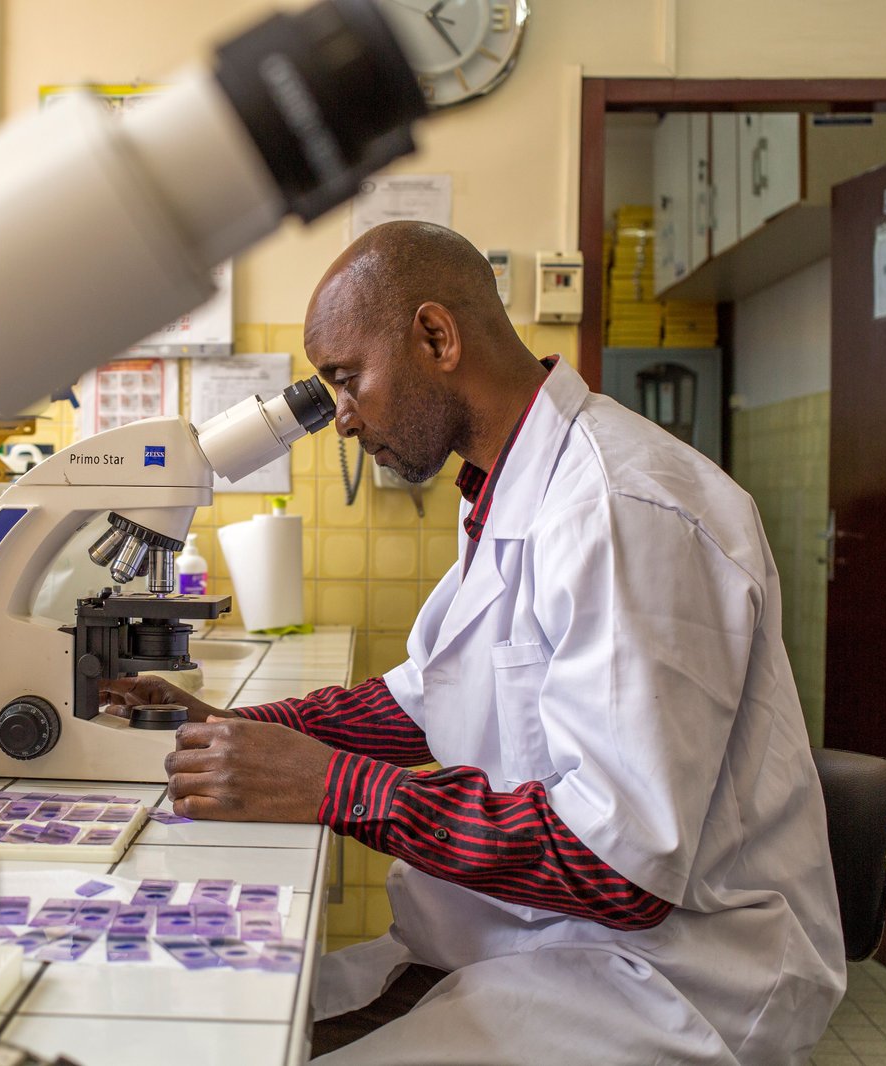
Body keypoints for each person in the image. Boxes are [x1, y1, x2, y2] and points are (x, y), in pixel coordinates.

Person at [101, 221, 845, 1065]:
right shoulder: (509, 488)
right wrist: (229, 730)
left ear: (435, 336)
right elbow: (426, 698)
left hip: (669, 980)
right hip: (524, 944)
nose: (340, 419)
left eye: (346, 379)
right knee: (230, 1029)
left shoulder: (621, 507)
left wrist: (335, 788)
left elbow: (621, 871)